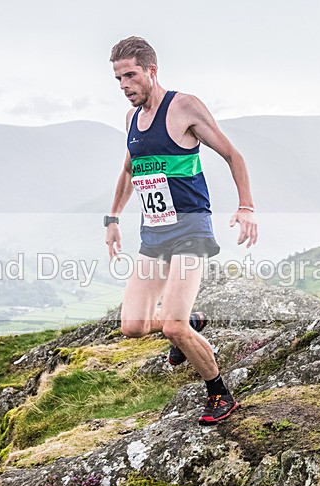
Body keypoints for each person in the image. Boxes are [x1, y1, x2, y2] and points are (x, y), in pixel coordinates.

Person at [104, 36, 257, 425]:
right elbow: (128, 170)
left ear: (151, 71)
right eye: (118, 78)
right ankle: (191, 321)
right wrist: (113, 219)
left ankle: (220, 393)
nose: (124, 85)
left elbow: (232, 154)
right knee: (132, 327)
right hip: (154, 233)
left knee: (171, 325)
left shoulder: (184, 107)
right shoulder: (131, 120)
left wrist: (246, 207)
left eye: (131, 75)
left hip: (190, 226)